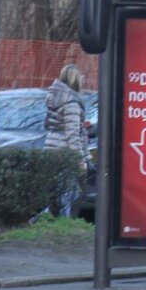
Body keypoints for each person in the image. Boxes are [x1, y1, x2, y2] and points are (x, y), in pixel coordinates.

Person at [44, 64, 90, 217]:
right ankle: (66, 220)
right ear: (75, 79)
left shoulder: (54, 98)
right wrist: (80, 159)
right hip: (65, 151)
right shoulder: (72, 103)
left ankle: (51, 217)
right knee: (72, 190)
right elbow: (72, 135)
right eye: (81, 77)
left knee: (55, 190)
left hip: (51, 146)